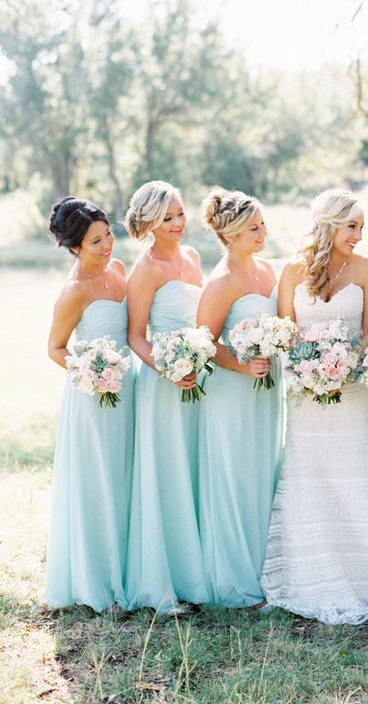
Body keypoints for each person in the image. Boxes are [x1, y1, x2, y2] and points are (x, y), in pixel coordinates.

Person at [260, 188, 368, 624]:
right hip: (306, 397)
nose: (359, 235)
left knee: (355, 474)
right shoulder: (292, 271)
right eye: (352, 226)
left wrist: (344, 366)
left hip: (352, 392)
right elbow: (285, 333)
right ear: (329, 224)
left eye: (362, 227)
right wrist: (309, 369)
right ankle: (310, 573)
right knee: (310, 476)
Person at [45, 197, 132, 612]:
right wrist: (92, 372)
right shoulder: (73, 292)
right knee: (98, 482)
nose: (107, 245)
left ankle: (129, 569)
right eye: (96, 241)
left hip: (129, 392)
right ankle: (97, 582)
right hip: (94, 396)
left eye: (108, 234)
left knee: (125, 479)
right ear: (75, 246)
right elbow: (56, 348)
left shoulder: (118, 271)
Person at [124, 180, 207, 613]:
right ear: (150, 222)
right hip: (163, 382)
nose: (179, 223)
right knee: (166, 471)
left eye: (180, 213)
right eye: (168, 217)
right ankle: (162, 582)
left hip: (199, 378)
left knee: (192, 468)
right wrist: (169, 369)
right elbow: (136, 337)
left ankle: (196, 570)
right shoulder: (145, 269)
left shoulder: (192, 258)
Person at [197, 187, 281, 607]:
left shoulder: (267, 270)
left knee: (260, 471)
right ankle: (232, 578)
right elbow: (205, 343)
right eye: (253, 227)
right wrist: (243, 366)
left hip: (265, 391)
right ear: (230, 235)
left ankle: (265, 567)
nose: (262, 232)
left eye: (263, 223)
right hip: (233, 391)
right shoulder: (220, 282)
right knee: (233, 475)